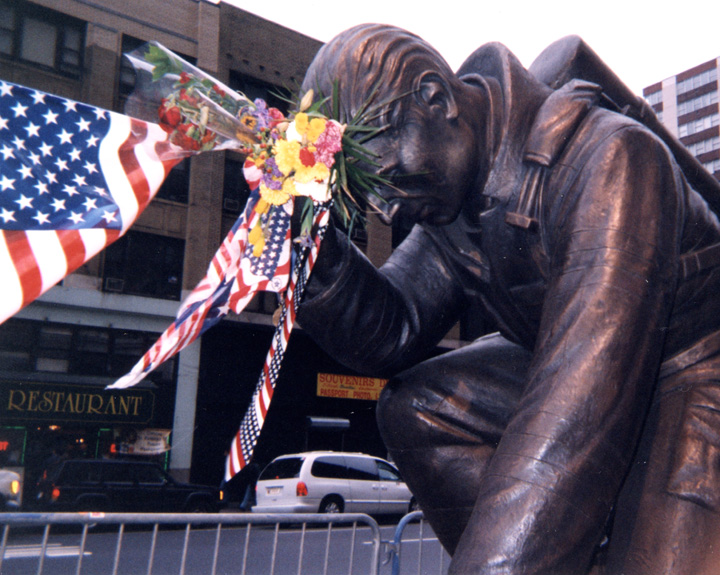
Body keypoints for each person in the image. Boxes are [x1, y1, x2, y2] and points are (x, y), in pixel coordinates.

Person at [296, 24, 720, 575]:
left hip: (694, 368)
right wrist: (312, 252)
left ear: (435, 98)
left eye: (390, 179)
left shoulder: (612, 158)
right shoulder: (455, 205)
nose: (389, 212)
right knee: (418, 408)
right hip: (584, 368)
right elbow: (393, 327)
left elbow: (578, 408)